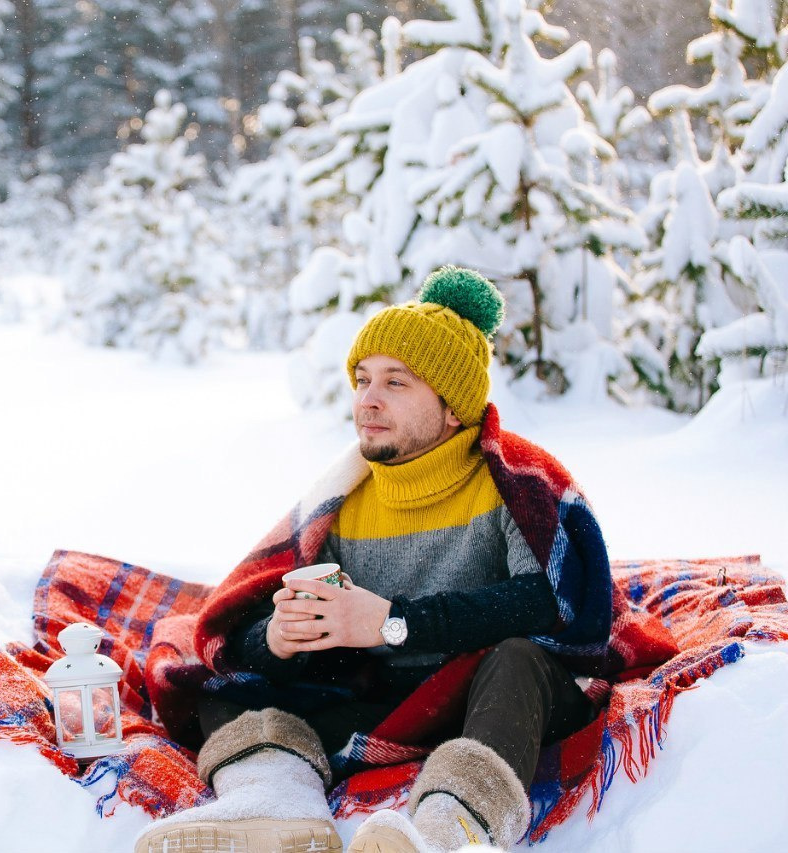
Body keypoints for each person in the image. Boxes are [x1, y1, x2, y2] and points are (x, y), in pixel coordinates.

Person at [135, 266, 612, 853]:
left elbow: (554, 600)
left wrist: (394, 620)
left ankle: (452, 830)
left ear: (453, 407)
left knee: (519, 661)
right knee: (220, 679)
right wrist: (279, 639)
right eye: (362, 379)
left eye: (396, 382)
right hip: (392, 700)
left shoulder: (516, 479)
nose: (368, 399)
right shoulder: (344, 497)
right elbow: (257, 625)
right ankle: (275, 800)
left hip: (495, 701)